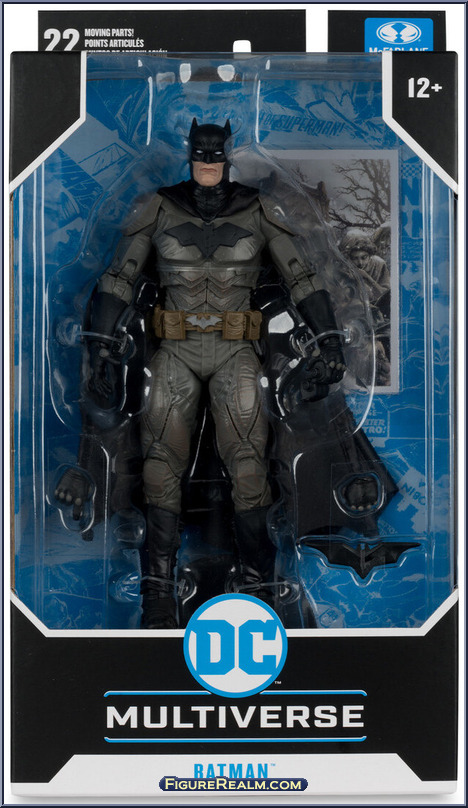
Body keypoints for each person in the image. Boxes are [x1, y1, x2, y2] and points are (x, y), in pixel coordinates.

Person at [56, 119, 346, 628]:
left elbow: (301, 277)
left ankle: (260, 591)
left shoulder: (257, 208)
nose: (208, 164)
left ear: (228, 155)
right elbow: (119, 278)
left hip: (236, 351)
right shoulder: (158, 206)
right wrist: (100, 348)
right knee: (160, 468)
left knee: (249, 469)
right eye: (201, 155)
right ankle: (157, 602)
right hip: (176, 350)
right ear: (190, 154)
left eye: (216, 156)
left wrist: (328, 338)